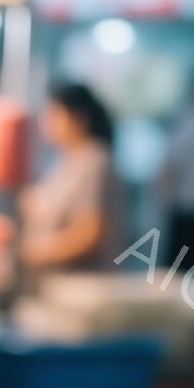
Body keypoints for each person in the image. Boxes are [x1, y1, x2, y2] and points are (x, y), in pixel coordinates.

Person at [19, 82, 124, 272]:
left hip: (83, 288)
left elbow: (90, 234)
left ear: (79, 119)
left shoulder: (95, 161)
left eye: (55, 115)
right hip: (57, 284)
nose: (47, 123)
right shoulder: (66, 160)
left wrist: (36, 252)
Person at [158, 68, 194, 263]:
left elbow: (168, 171)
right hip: (188, 213)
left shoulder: (188, 125)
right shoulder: (188, 126)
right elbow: (169, 171)